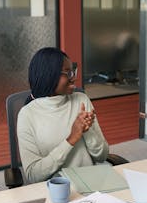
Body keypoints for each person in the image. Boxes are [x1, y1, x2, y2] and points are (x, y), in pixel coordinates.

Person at [17, 47, 109, 183]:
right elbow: (33, 175)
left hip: (90, 184)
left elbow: (102, 156)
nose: (74, 78)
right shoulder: (27, 115)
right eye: (68, 73)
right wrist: (71, 139)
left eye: (73, 71)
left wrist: (87, 131)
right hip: (54, 190)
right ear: (49, 75)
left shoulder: (81, 100)